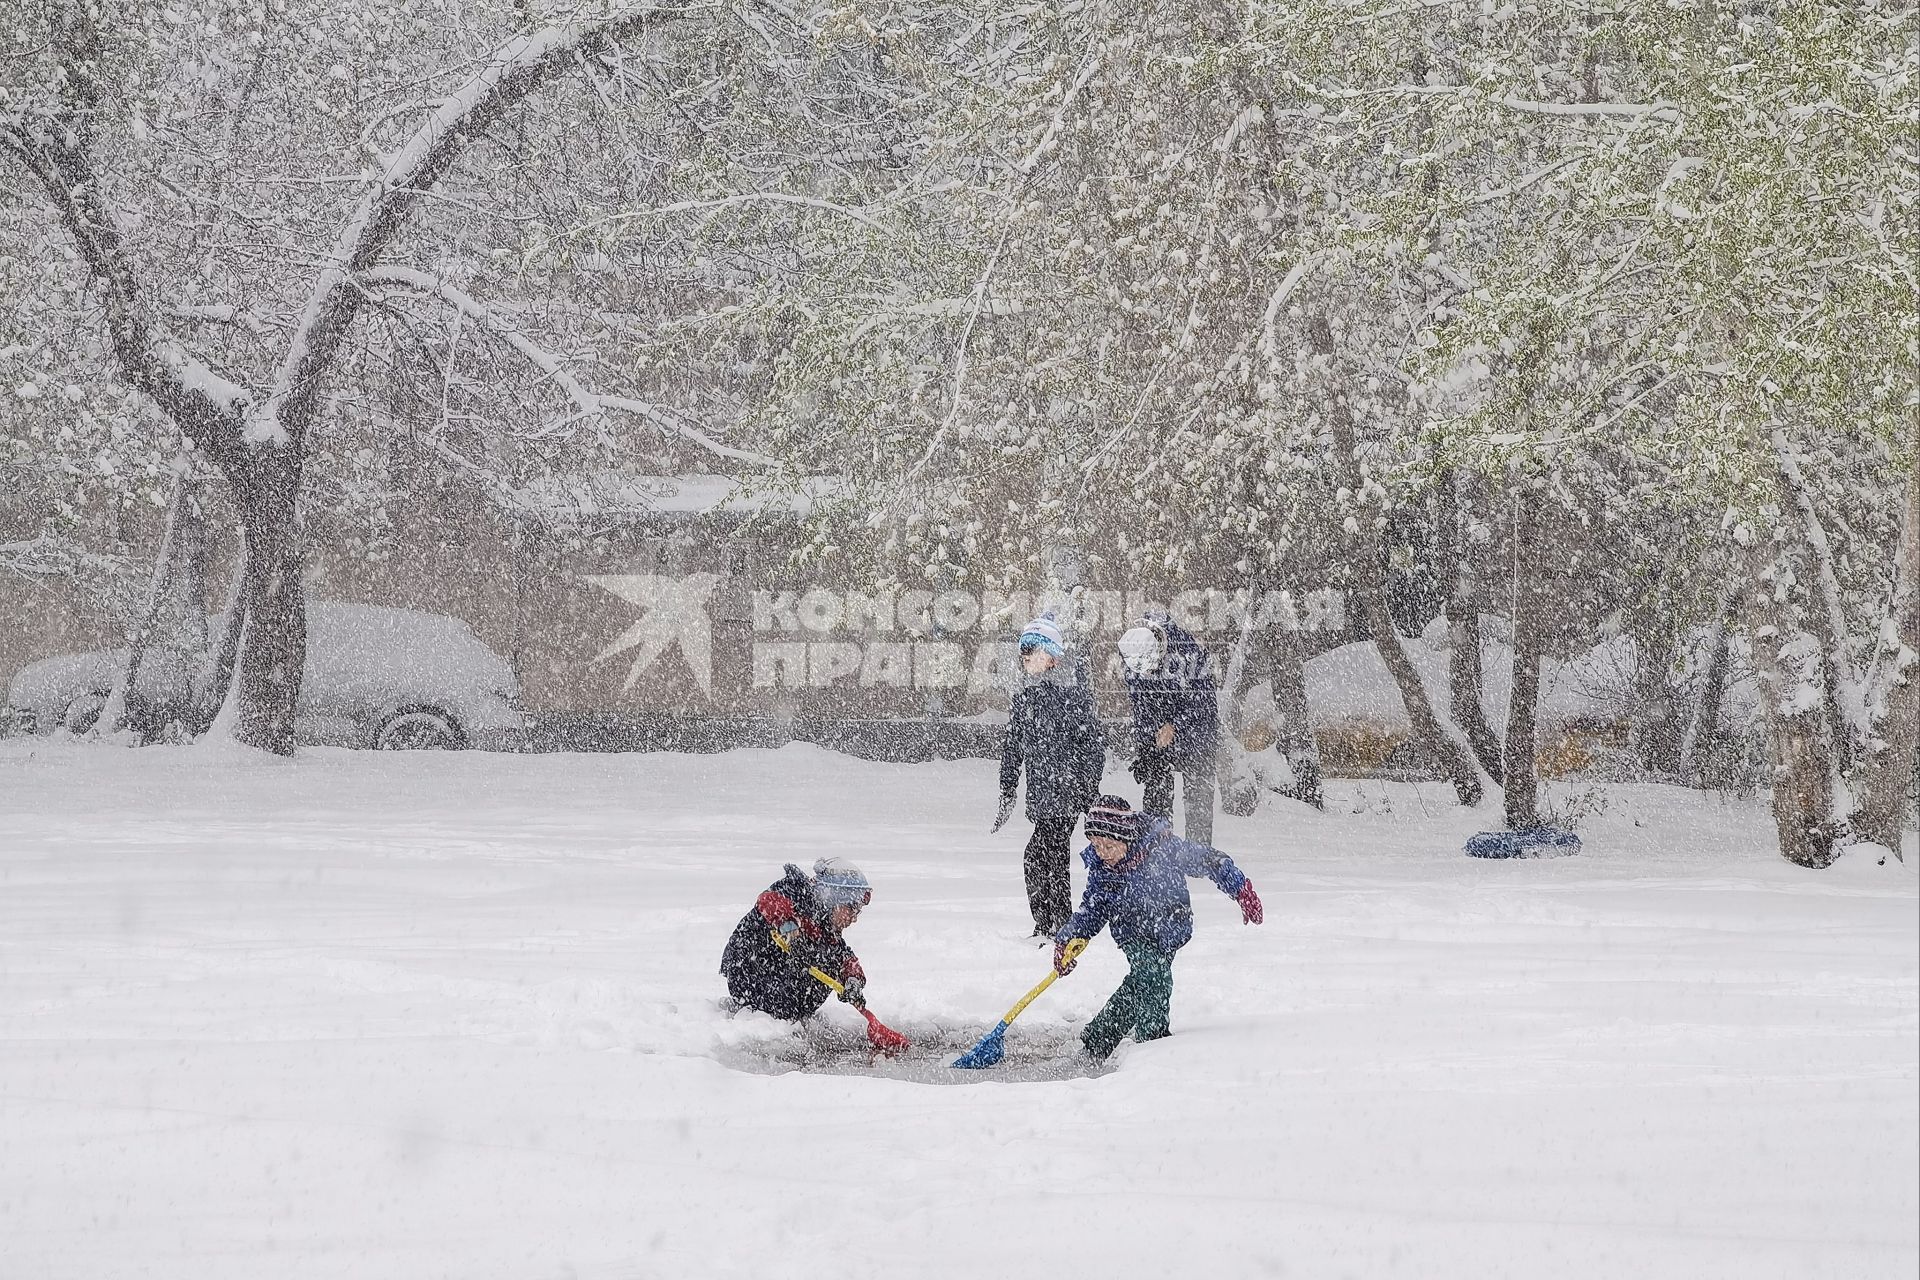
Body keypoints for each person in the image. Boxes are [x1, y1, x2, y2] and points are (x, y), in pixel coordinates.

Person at [1052, 795, 1262, 1061]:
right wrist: (1068, 939)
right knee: (1154, 977)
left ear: (1126, 837)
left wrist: (1240, 889)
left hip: (1170, 927)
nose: (1102, 853)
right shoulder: (1103, 869)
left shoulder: (1163, 848)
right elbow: (1092, 908)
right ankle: (1153, 1043)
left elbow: (1209, 861)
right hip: (1131, 931)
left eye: (1108, 845)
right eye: (1096, 846)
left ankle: (1098, 1039)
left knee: (1142, 983)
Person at [994, 613, 1107, 939]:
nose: (1026, 659)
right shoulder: (1026, 700)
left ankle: (1059, 925)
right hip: (1042, 794)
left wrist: (1085, 786)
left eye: (1032, 652)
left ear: (1052, 657)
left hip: (1066, 793)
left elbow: (1094, 748)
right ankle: (1049, 924)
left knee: (1046, 857)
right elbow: (1012, 747)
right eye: (1023, 654)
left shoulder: (1073, 699)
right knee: (1042, 857)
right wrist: (1008, 786)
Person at [720, 858, 873, 1020]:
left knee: (829, 961)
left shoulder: (826, 927)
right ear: (833, 899)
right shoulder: (796, 891)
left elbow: (843, 957)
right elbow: (768, 901)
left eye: (858, 912)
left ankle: (792, 1017)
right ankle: (772, 1017)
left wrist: (853, 980)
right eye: (851, 909)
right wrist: (791, 934)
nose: (854, 918)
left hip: (781, 989)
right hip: (749, 978)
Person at [1117, 612, 1220, 845]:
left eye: (1150, 667)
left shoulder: (1189, 654)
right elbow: (1140, 705)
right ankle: (1158, 853)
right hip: (1158, 736)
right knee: (1156, 794)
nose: (1146, 673)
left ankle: (1198, 856)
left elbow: (1204, 703)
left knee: (1198, 798)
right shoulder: (1132, 653)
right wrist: (1146, 746)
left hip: (1197, 733)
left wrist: (1175, 724)